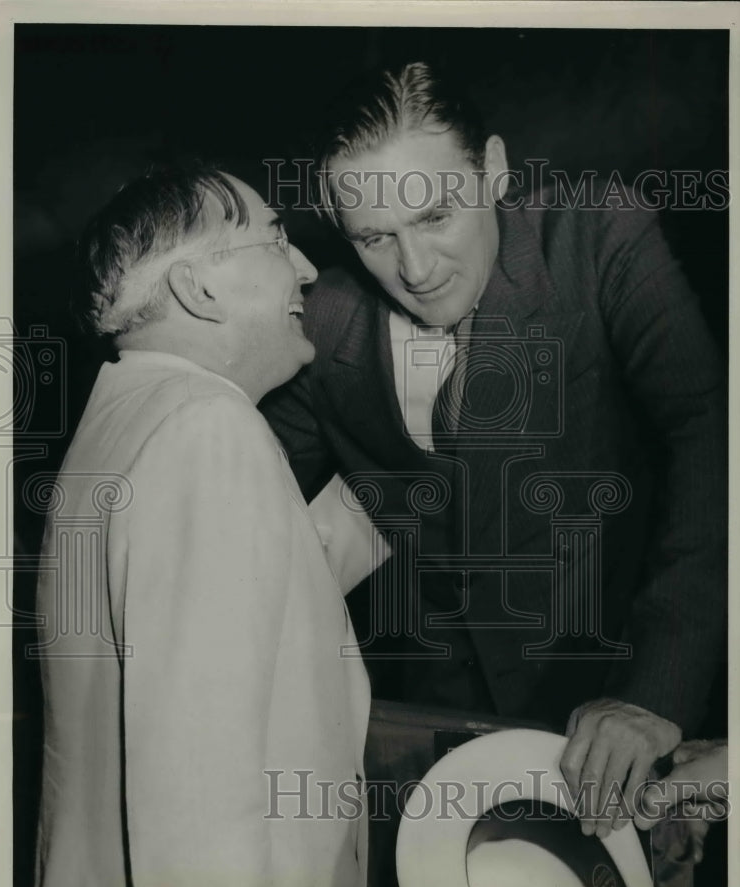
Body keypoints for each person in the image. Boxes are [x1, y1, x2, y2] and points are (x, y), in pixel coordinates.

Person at [262, 62, 727, 840]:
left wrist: (656, 692)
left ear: (497, 171)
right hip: (437, 739)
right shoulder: (321, 321)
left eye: (437, 216)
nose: (415, 270)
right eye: (375, 236)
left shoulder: (596, 235)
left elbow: (710, 434)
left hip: (627, 715)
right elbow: (250, 502)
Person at [34, 164, 370, 887]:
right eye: (276, 239)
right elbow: (196, 795)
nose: (306, 268)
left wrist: (390, 495)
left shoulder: (125, 419)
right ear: (199, 289)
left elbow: (254, 612)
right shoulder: (208, 430)